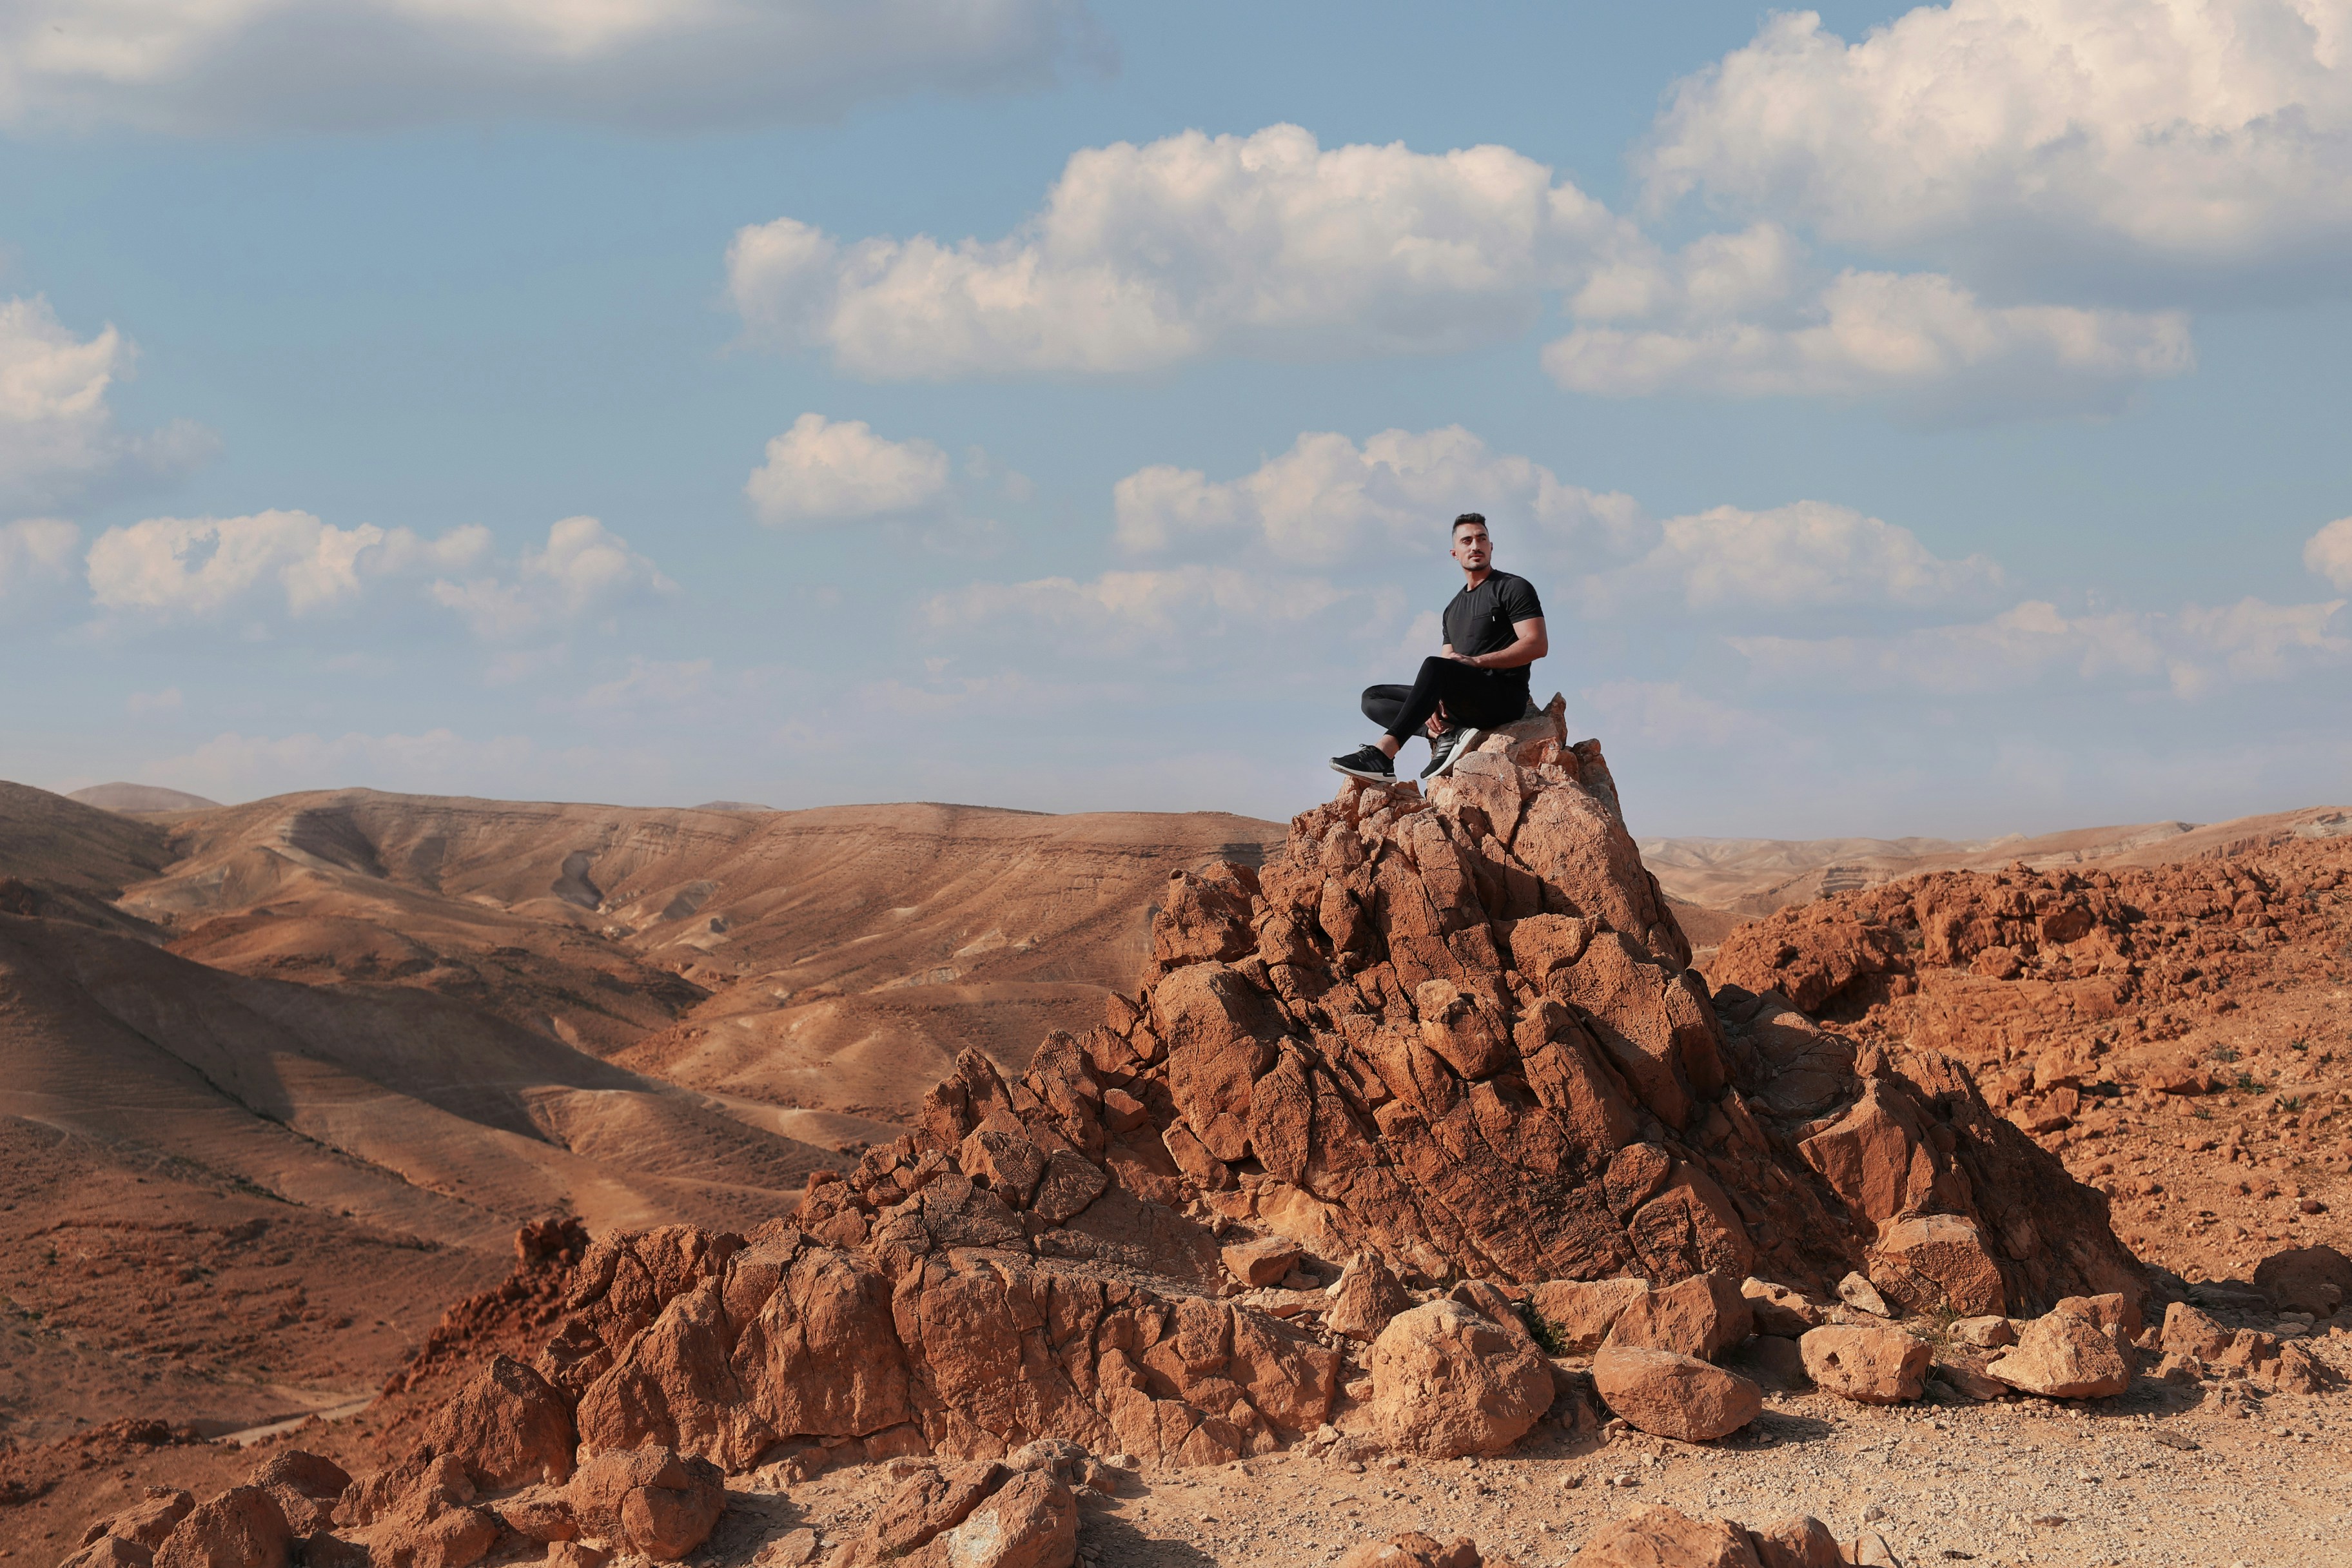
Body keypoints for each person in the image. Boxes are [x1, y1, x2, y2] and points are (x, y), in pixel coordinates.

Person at [1331, 512, 1547, 783]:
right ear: (1455, 553)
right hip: (1462, 700)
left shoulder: (1512, 588)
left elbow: (1537, 644)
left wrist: (1479, 662)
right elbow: (1448, 662)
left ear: (1491, 547)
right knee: (1372, 697)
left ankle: (1383, 755)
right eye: (1467, 541)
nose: (1475, 546)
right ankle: (1441, 733)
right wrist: (1432, 701)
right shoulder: (1452, 609)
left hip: (1502, 698)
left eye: (1482, 539)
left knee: (1433, 665)